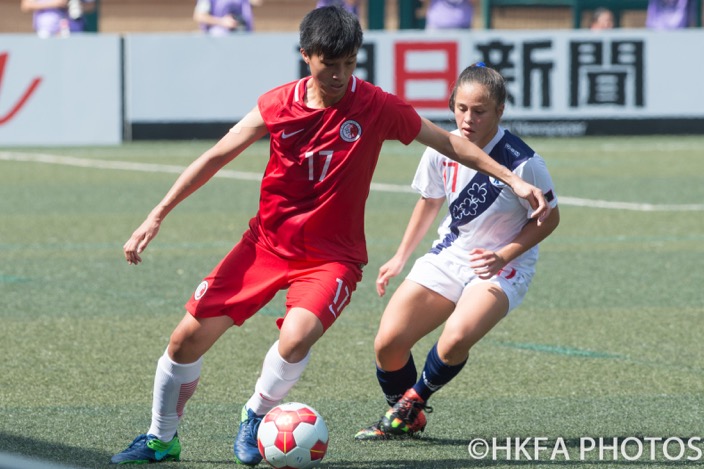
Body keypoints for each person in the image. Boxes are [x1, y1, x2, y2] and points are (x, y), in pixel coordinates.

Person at [110, 7, 550, 466]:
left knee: (297, 337)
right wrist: (157, 214)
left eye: (349, 64)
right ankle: (161, 439)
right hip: (264, 246)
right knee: (185, 341)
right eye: (329, 65)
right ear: (306, 57)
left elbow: (448, 142)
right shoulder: (277, 105)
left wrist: (513, 179)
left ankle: (256, 415)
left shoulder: (376, 105)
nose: (340, 75)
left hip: (331, 259)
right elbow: (216, 156)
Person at [355, 63, 560, 441]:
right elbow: (429, 201)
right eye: (461, 108)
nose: (468, 119)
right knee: (388, 343)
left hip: (503, 265)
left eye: (479, 111)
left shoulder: (526, 163)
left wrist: (504, 255)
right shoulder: (442, 147)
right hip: (450, 255)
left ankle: (411, 403)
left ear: (499, 111)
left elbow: (549, 218)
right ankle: (406, 414)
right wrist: (401, 256)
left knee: (455, 338)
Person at [20, 0, 95, 38]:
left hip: (73, 31)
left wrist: (74, 5)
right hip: (47, 31)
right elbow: (26, 6)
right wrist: (54, 3)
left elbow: (91, 6)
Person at [194, 0, 262, 35]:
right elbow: (199, 16)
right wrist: (222, 22)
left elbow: (257, 2)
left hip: (243, 36)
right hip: (218, 40)